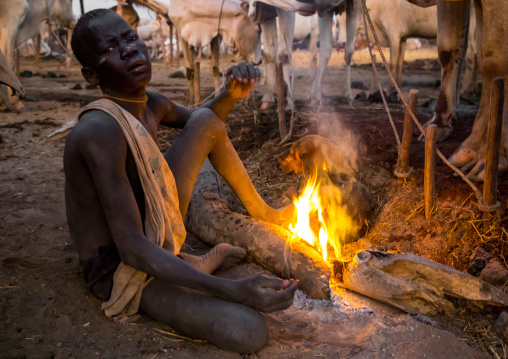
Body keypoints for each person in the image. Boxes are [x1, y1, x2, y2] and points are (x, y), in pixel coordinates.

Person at [64, 9, 298, 354]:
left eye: (130, 38)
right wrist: (231, 290)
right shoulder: (99, 130)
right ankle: (196, 266)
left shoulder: (150, 104)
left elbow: (205, 124)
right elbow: (131, 249)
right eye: (111, 49)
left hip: (153, 231)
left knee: (204, 121)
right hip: (121, 266)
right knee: (248, 331)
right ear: (90, 74)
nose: (129, 50)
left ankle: (264, 212)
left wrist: (230, 94)